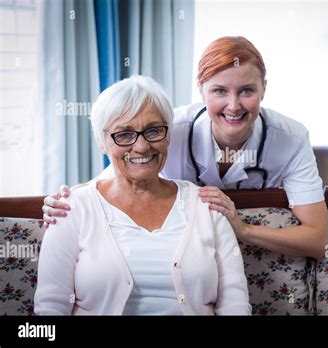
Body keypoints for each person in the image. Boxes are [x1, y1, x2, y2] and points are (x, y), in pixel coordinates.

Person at [42, 36, 328, 260]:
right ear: (201, 89)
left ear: (263, 89)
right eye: (220, 91)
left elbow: (316, 240)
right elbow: (110, 181)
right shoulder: (165, 130)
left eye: (247, 90)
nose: (233, 105)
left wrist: (243, 229)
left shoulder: (290, 137)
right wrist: (67, 201)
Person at [34, 75, 251, 315]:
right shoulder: (70, 209)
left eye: (153, 130)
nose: (142, 147)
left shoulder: (206, 206)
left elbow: (234, 304)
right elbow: (50, 308)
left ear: (168, 136)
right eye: (124, 134)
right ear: (102, 143)